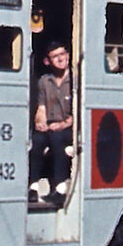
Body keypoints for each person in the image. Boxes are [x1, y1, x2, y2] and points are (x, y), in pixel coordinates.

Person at [32, 43, 74, 198]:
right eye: (55, 56)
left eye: (63, 54)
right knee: (37, 140)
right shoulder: (44, 81)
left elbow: (79, 112)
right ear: (47, 61)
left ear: (68, 55)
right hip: (52, 126)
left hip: (70, 126)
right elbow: (41, 107)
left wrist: (63, 124)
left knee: (58, 139)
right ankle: (33, 186)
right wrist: (40, 122)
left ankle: (61, 187)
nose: (61, 59)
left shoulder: (76, 80)